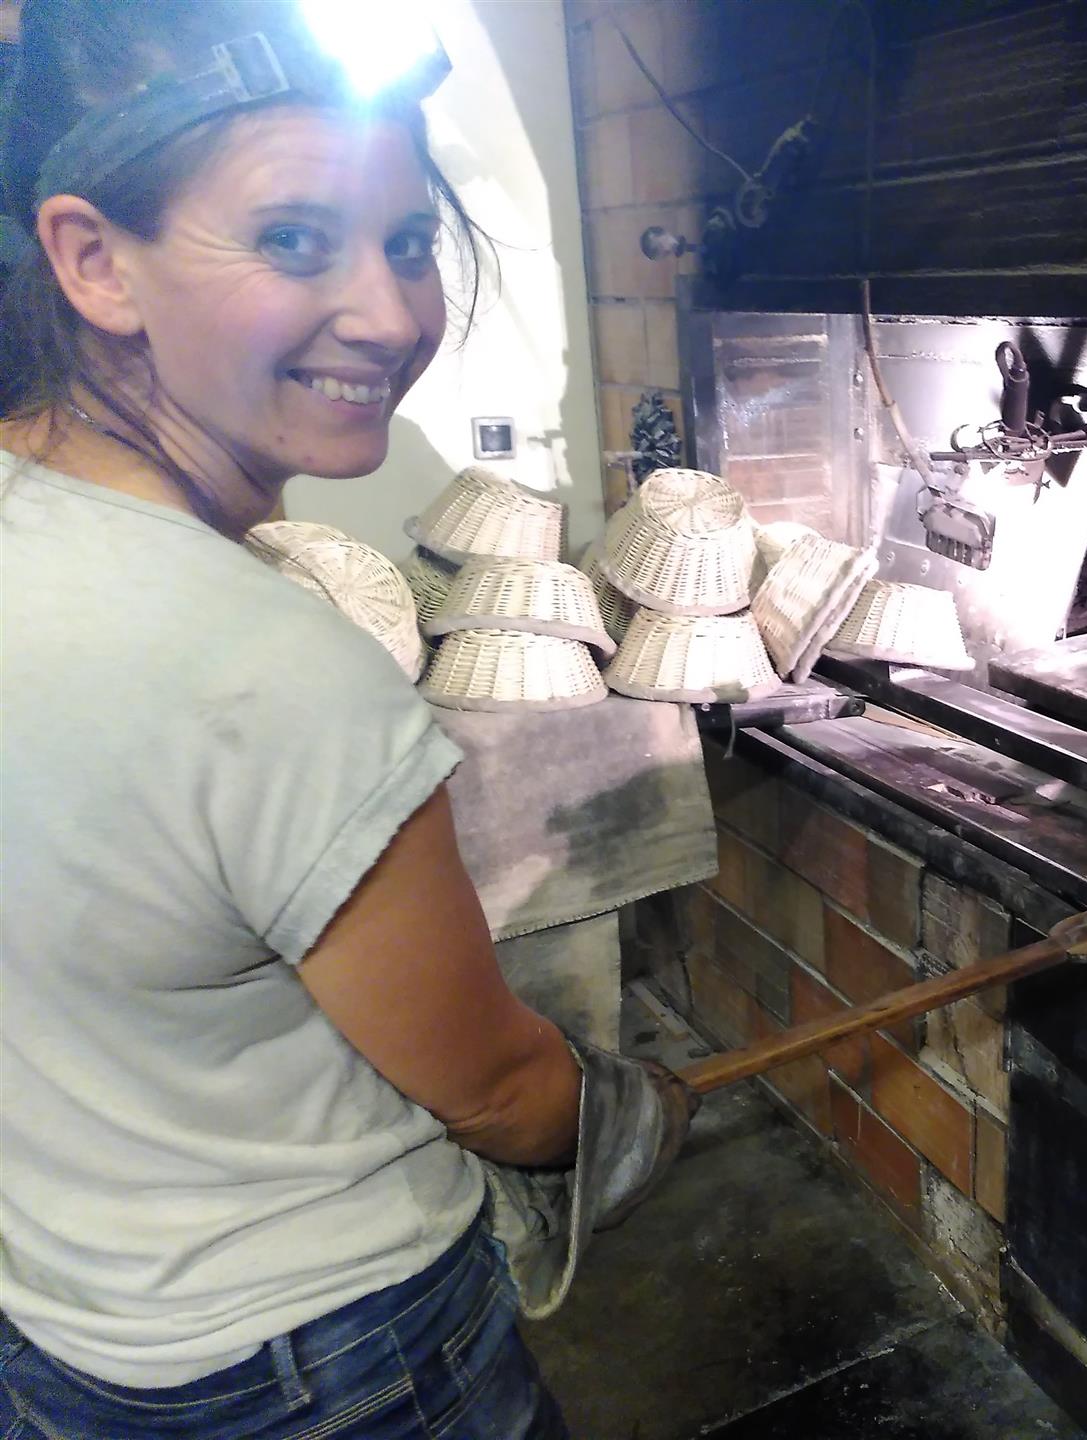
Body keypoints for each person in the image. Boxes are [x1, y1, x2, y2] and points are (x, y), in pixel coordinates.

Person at [0, 2, 693, 1434]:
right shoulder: (263, 669)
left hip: (69, 1332)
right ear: (89, 257)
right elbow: (496, 1085)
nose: (389, 314)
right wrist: (629, 1111)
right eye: (295, 241)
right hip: (335, 1361)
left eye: (408, 242)